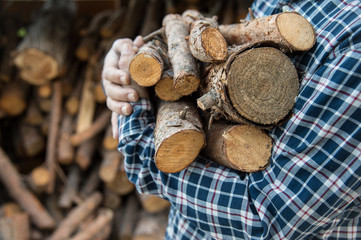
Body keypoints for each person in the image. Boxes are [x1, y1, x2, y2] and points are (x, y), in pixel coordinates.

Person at [102, 0, 361, 239]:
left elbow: (264, 216)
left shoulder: (354, 45)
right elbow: (207, 78)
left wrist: (138, 132)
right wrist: (130, 69)